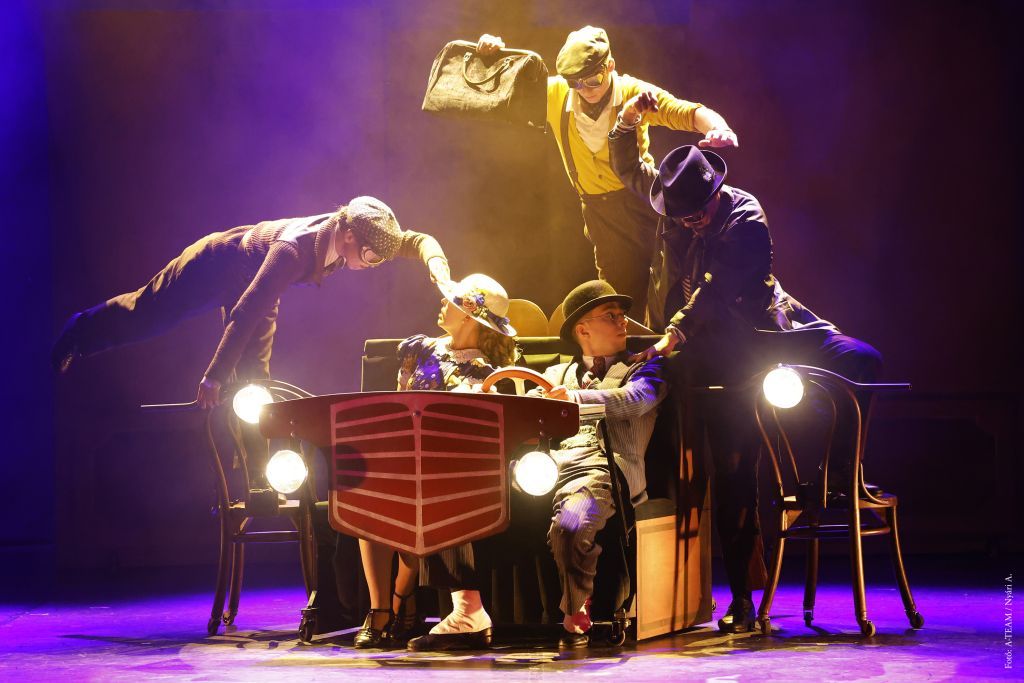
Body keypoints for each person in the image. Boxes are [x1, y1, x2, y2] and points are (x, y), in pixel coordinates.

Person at [608, 103, 882, 633]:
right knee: (733, 469)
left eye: (697, 215)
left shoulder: (745, 216)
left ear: (715, 193)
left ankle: (839, 479)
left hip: (766, 331)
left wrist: (675, 331)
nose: (690, 223)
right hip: (716, 352)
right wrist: (626, 121)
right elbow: (629, 169)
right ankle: (742, 598)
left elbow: (717, 287)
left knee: (861, 358)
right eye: (682, 217)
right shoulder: (675, 203)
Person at [408, 280, 667, 651]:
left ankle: (576, 610)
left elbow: (635, 400)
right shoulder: (557, 373)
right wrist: (482, 400)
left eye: (622, 314)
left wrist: (573, 399)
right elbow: (524, 410)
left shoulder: (645, 368)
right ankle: (467, 610)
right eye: (611, 315)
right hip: (545, 471)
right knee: (454, 487)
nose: (623, 321)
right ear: (583, 329)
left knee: (570, 525)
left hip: (603, 471)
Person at [51, 196, 451, 407]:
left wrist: (439, 270)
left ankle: (255, 473)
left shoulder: (352, 234)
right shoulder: (292, 251)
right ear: (350, 237)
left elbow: (415, 241)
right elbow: (245, 311)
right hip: (213, 267)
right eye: (372, 257)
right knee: (148, 314)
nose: (374, 263)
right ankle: (78, 332)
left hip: (259, 287)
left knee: (256, 383)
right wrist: (214, 376)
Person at [476, 27, 737, 314]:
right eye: (576, 83)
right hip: (601, 213)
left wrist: (718, 128)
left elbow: (685, 112)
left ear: (610, 65)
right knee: (619, 297)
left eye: (593, 80)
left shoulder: (633, 93)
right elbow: (503, 89)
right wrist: (492, 56)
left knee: (667, 287)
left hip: (643, 202)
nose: (585, 90)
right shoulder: (557, 94)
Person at [355, 273, 519, 649]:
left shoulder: (487, 373)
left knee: (424, 495)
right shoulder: (420, 349)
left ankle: (400, 600)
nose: (443, 302)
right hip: (404, 451)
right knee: (367, 491)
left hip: (449, 465)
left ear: (470, 315)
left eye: (453, 300)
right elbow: (399, 401)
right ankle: (380, 608)